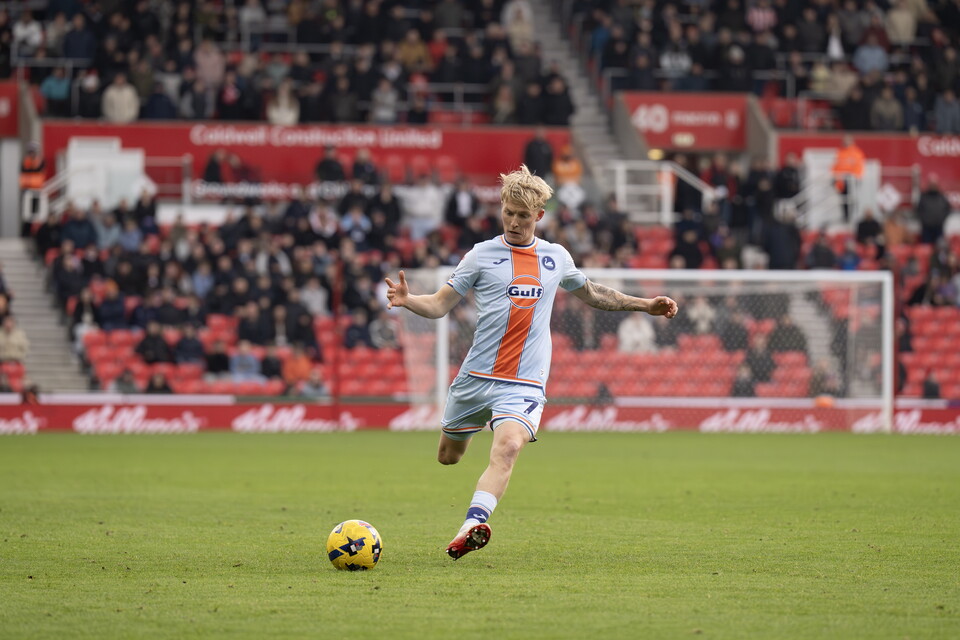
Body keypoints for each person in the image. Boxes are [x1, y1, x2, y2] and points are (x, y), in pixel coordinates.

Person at [384, 165, 678, 560]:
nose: (515, 222)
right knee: (448, 456)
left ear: (539, 216)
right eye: (509, 212)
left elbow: (592, 293)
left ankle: (472, 524)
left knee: (507, 448)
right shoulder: (480, 255)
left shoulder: (555, 257)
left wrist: (645, 305)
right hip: (475, 377)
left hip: (523, 381)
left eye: (524, 216)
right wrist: (408, 301)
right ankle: (467, 460)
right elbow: (438, 305)